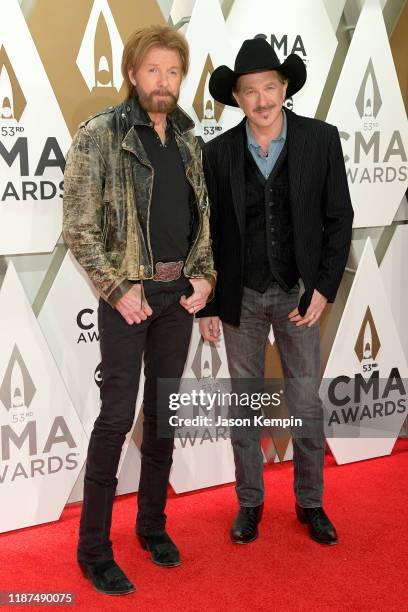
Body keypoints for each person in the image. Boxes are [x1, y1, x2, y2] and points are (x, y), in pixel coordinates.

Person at [63, 25, 215, 595]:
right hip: (128, 298)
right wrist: (114, 286)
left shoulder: (188, 141)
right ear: (132, 74)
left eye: (173, 71)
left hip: (179, 300)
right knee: (115, 419)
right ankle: (93, 548)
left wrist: (205, 276)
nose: (164, 81)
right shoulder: (101, 134)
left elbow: (202, 221)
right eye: (153, 70)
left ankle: (152, 526)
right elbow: (78, 225)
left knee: (164, 416)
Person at [198, 38, 353, 546]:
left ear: (284, 88)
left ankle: (311, 502)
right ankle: (250, 504)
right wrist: (212, 303)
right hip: (241, 295)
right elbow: (210, 232)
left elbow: (339, 220)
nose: (261, 100)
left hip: (300, 295)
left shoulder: (320, 140)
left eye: (269, 87)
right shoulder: (217, 154)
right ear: (237, 99)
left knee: (305, 402)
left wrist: (324, 289)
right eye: (249, 92)